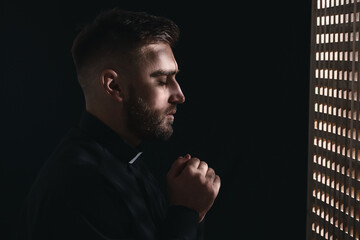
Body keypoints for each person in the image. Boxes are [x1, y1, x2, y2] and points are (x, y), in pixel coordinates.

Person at [17, 8, 220, 240]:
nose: (180, 95)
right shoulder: (78, 186)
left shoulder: (127, 162)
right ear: (114, 86)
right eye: (163, 80)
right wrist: (186, 212)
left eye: (175, 78)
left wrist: (193, 213)